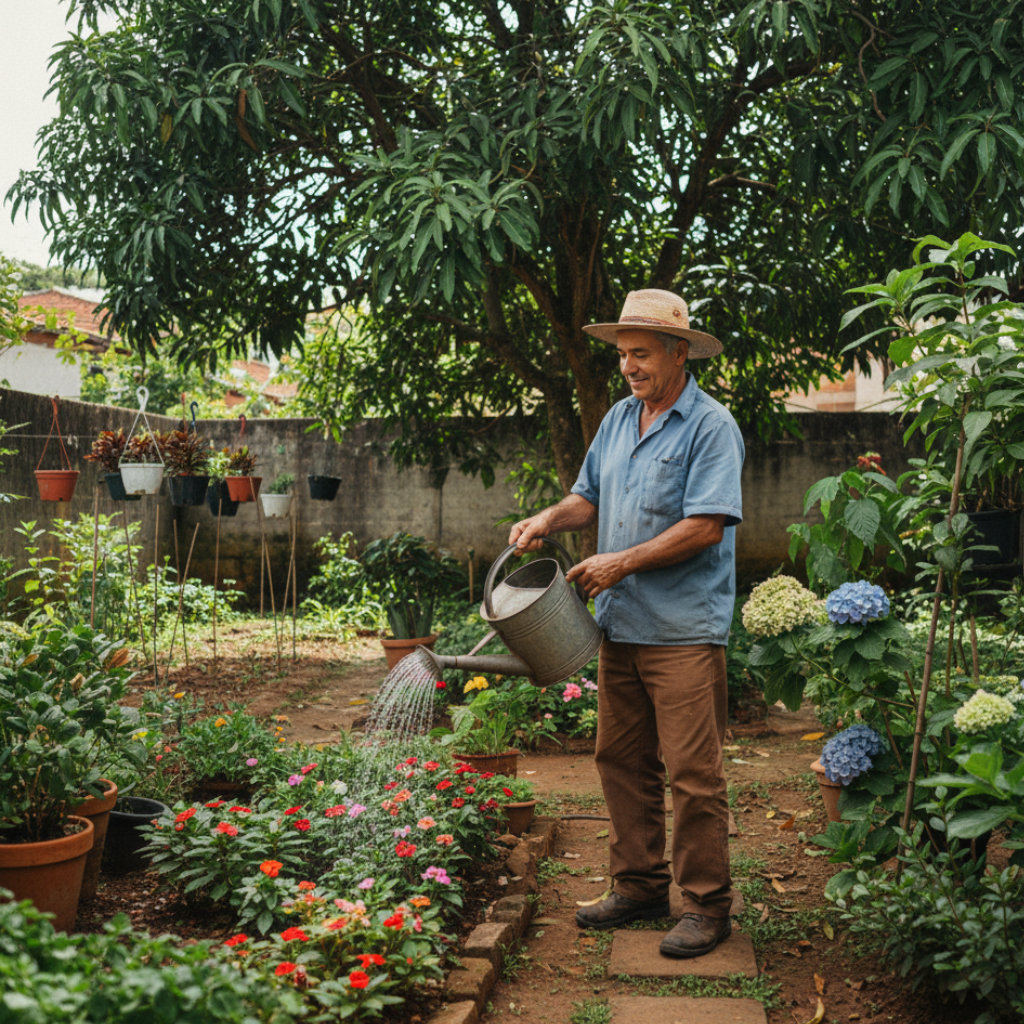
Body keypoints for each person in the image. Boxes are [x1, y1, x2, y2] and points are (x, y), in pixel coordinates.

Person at [509, 288, 744, 959]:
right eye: (622, 355)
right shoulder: (619, 419)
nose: (629, 367)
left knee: (694, 774)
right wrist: (549, 519)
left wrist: (622, 563)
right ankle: (640, 885)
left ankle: (705, 905)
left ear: (678, 352)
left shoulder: (710, 426)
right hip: (621, 625)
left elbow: (704, 526)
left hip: (684, 631)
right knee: (620, 760)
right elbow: (588, 496)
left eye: (641, 354)